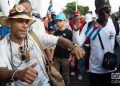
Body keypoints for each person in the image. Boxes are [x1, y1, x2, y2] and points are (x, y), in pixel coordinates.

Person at [0, 4, 85, 86]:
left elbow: (58, 40)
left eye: (26, 22)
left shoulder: (34, 36)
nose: (25, 25)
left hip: (44, 83)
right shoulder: (3, 46)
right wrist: (17, 74)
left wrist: (73, 46)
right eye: (20, 21)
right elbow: (1, 70)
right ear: (10, 23)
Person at [72, 0, 120, 86]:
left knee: (116, 84)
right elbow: (78, 44)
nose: (105, 14)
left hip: (113, 68)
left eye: (107, 10)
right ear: (96, 12)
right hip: (95, 70)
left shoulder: (115, 24)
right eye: (102, 11)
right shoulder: (90, 25)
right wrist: (75, 31)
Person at [53, 13, 72, 86]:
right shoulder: (55, 33)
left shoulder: (69, 32)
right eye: (57, 21)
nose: (58, 23)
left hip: (66, 58)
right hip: (56, 58)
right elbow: (53, 46)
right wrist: (52, 58)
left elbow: (73, 45)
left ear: (64, 21)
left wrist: (71, 57)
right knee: (56, 75)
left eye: (60, 21)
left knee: (65, 75)